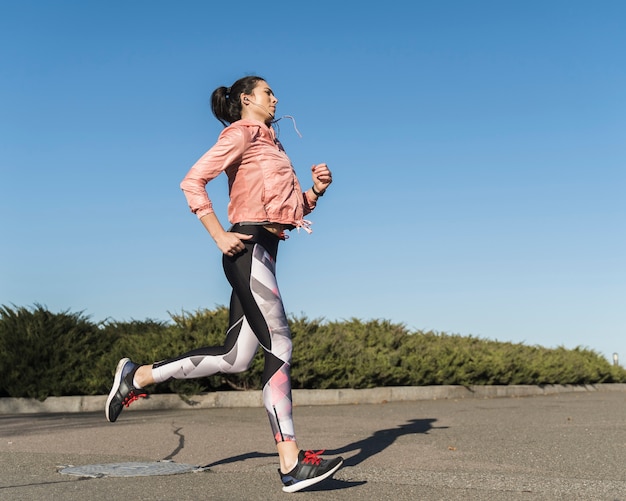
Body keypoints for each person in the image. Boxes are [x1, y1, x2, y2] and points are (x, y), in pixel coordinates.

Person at [105, 75, 343, 493]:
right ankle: (290, 461)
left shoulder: (273, 142)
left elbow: (285, 209)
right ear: (247, 99)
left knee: (235, 358)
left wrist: (316, 192)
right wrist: (218, 233)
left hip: (265, 251)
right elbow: (192, 180)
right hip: (246, 250)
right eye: (268, 93)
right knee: (281, 345)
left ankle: (136, 377)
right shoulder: (241, 133)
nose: (275, 98)